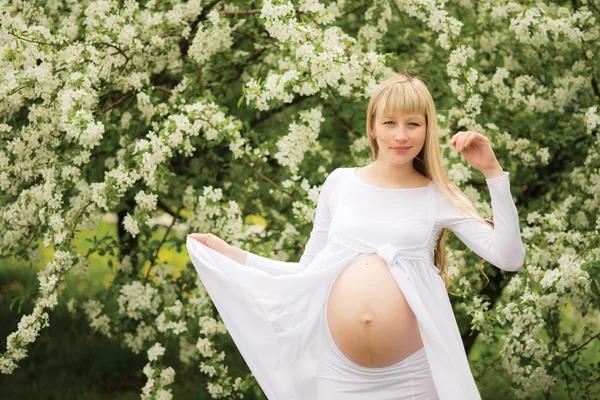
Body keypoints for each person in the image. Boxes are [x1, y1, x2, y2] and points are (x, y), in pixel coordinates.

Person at [186, 70, 527, 400]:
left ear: (427, 129)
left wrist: (492, 172)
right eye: (390, 123)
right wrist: (231, 253)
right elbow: (306, 274)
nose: (401, 135)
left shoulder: (437, 195)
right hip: (341, 374)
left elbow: (509, 258)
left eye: (413, 124)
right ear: (373, 127)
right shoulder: (340, 183)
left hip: (411, 376)